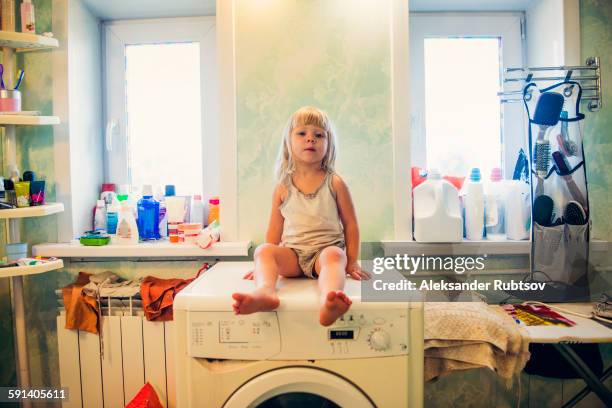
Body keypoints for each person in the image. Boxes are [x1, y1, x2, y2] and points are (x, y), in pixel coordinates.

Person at [232, 106, 370, 326]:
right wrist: (265, 265)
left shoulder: (335, 182)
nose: (310, 140)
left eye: (318, 135)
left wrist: (352, 261)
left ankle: (329, 300)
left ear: (328, 143)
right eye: (302, 133)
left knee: (335, 256)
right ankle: (266, 292)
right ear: (289, 141)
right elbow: (274, 229)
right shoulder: (283, 186)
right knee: (263, 250)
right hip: (293, 255)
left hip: (323, 253)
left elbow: (350, 224)